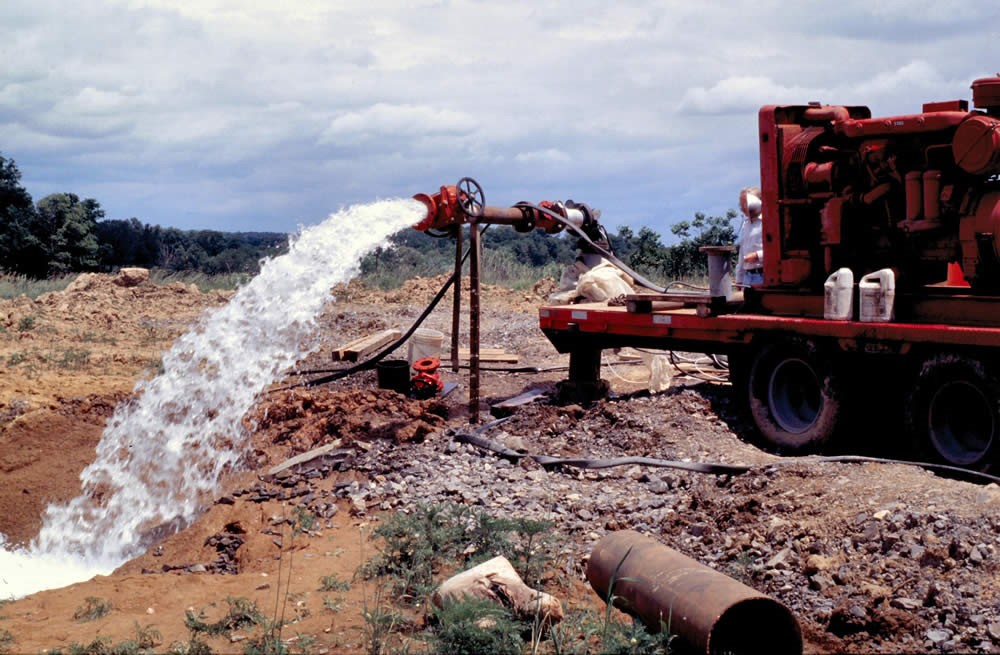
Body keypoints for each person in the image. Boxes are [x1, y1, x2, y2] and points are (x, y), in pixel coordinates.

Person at [735, 186, 764, 286]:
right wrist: (739, 278)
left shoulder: (767, 222)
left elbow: (776, 250)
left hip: (762, 274)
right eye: (741, 204)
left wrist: (757, 256)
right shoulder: (746, 224)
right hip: (747, 276)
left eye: (744, 204)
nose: (742, 208)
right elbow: (742, 252)